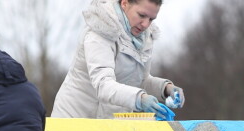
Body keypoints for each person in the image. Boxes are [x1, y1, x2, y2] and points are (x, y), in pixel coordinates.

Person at [51, 0, 184, 120]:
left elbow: (139, 81)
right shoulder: (100, 30)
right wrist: (140, 98)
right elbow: (103, 85)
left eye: (151, 19)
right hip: (74, 121)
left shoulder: (144, 39)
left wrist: (166, 88)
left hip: (107, 125)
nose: (145, 24)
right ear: (124, 3)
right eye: (142, 15)